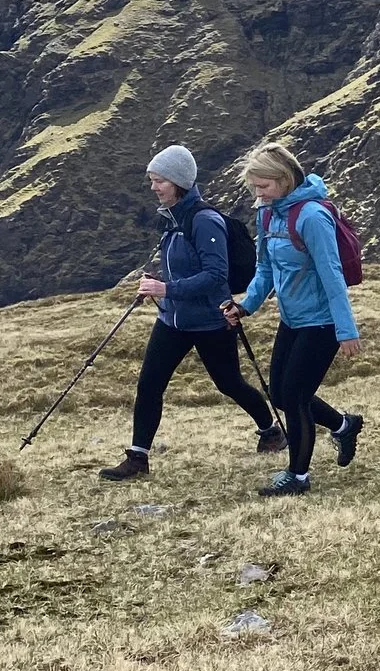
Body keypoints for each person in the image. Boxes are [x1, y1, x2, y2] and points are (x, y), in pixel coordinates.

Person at [100, 145, 284, 481]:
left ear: (180, 183)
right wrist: (159, 283)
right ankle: (137, 458)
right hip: (172, 320)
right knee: (149, 385)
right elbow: (183, 269)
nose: (154, 187)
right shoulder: (172, 219)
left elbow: (216, 275)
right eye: (152, 180)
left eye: (160, 181)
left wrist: (166, 289)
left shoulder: (204, 220)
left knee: (229, 383)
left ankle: (270, 430)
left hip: (210, 320)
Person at [222, 142, 362, 497]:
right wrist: (246, 306)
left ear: (284, 180)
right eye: (254, 186)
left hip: (322, 323)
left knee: (296, 396)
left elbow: (331, 275)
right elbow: (266, 267)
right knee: (281, 396)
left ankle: (298, 476)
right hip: (292, 319)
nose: (258, 193)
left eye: (263, 186)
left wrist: (346, 330)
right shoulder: (268, 213)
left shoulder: (312, 216)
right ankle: (343, 425)